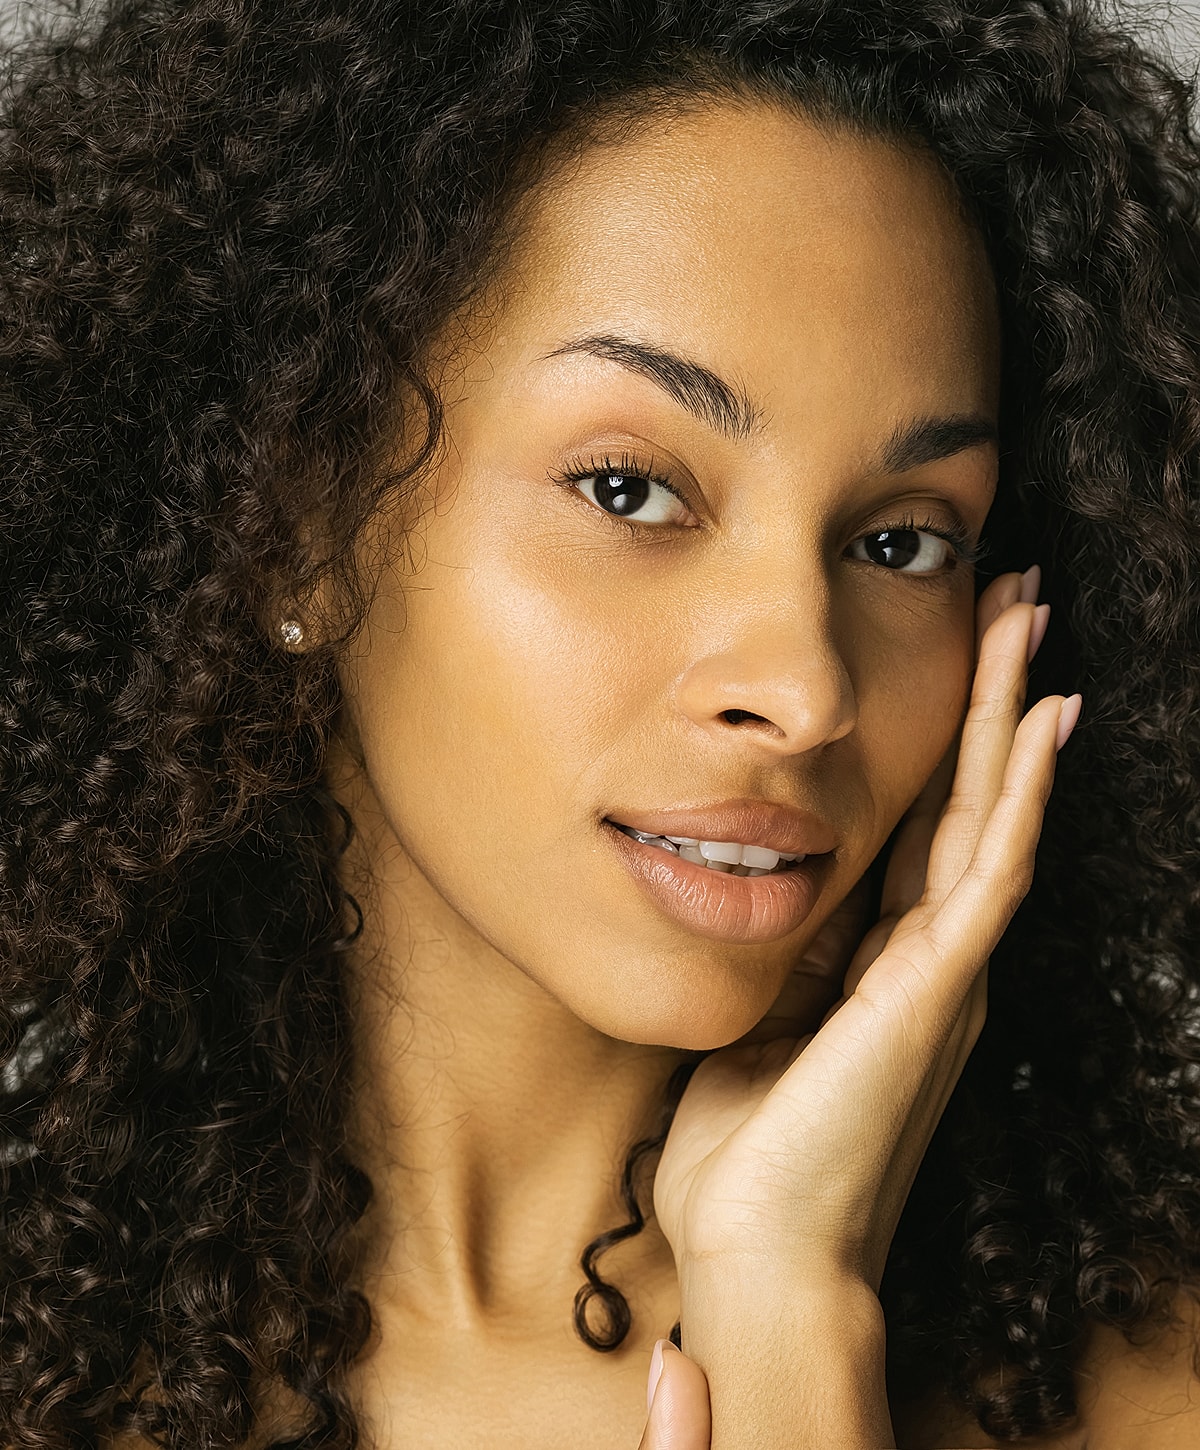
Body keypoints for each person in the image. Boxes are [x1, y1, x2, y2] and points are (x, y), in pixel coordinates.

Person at [2, 0, 1199, 1445]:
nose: (808, 688)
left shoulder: (1145, 1392)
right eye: (631, 490)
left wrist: (791, 1315)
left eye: (902, 542)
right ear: (293, 525)